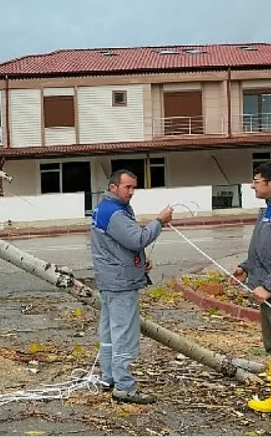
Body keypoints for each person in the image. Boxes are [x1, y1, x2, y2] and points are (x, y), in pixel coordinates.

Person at [90, 169, 173, 404]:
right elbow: (137, 238)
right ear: (113, 187)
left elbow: (117, 245)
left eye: (133, 188)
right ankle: (124, 386)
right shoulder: (114, 212)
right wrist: (159, 221)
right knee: (124, 334)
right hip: (120, 282)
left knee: (109, 330)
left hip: (111, 279)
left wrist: (137, 261)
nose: (131, 192)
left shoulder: (107, 208)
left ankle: (109, 378)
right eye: (127, 187)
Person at [230, 161, 271, 435]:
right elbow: (265, 251)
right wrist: (247, 267)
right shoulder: (269, 211)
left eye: (256, 180)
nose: (253, 185)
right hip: (270, 294)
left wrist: (268, 286)